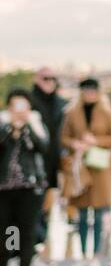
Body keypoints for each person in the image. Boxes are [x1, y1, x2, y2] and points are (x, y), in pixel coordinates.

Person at [61, 79, 111, 266]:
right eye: (86, 90)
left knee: (97, 213)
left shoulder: (107, 112)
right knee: (81, 213)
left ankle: (95, 255)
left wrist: (96, 140)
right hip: (80, 168)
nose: (89, 94)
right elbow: (64, 137)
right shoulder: (72, 113)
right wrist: (75, 143)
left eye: (92, 90)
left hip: (99, 167)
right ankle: (82, 255)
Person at [0, 90, 49, 266]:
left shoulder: (35, 124)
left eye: (23, 106)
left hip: (29, 190)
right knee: (7, 234)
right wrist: (9, 128)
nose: (19, 110)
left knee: (26, 235)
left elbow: (43, 148)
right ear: (9, 107)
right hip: (4, 190)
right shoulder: (3, 124)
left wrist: (27, 126)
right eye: (15, 106)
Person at [30, 67, 66, 254]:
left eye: (52, 78)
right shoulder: (29, 101)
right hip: (33, 163)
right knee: (32, 208)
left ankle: (40, 246)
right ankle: (28, 248)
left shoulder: (61, 103)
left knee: (46, 208)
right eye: (45, 78)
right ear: (36, 79)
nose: (49, 82)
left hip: (53, 163)